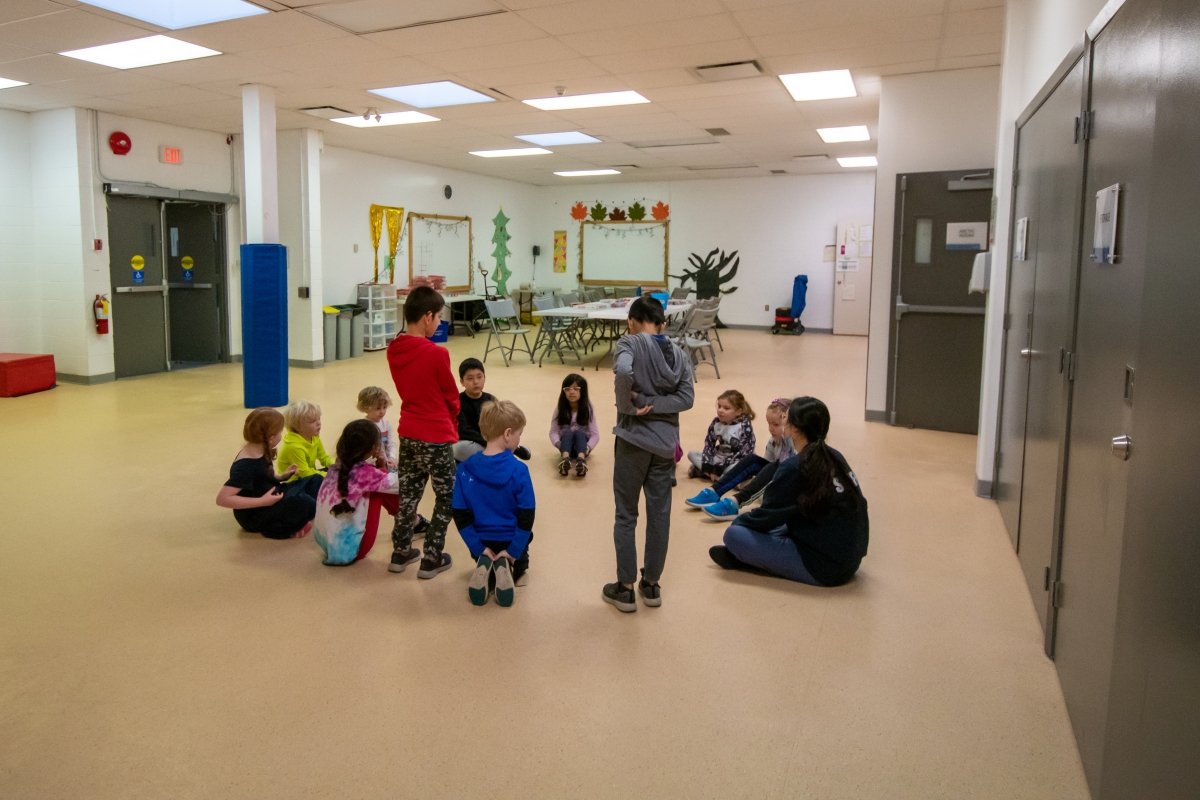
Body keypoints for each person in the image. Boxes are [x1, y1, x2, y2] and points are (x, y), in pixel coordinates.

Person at [709, 397, 869, 587]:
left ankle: (744, 557)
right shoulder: (835, 455)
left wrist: (740, 522)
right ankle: (747, 555)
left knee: (734, 535)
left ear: (794, 428)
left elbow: (766, 516)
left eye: (785, 417)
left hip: (823, 568)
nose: (782, 420)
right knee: (781, 524)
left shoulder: (794, 466)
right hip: (849, 559)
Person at [604, 295, 694, 612]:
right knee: (659, 515)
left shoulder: (629, 343)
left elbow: (622, 372)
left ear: (630, 321)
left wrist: (632, 405)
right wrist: (656, 404)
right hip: (665, 447)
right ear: (663, 325)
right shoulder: (679, 355)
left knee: (626, 514)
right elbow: (687, 399)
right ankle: (652, 585)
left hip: (633, 442)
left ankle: (625, 589)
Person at [385, 286, 458, 579]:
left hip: (409, 433)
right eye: (438, 317)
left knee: (408, 495)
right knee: (446, 497)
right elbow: (451, 397)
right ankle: (431, 558)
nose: (439, 322)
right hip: (436, 436)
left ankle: (400, 552)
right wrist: (452, 421)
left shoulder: (394, 349)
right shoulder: (437, 353)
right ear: (427, 316)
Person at [452, 400, 536, 607]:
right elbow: (527, 515)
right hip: (509, 539)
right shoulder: (519, 470)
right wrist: (514, 549)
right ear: (508, 434)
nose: (519, 439)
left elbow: (460, 514)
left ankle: (486, 563)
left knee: (483, 551)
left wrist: (477, 547)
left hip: (482, 540)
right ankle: (511, 565)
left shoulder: (464, 469)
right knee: (524, 551)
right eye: (519, 434)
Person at [217, 407, 322, 539]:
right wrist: (262, 501)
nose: (281, 435)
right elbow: (223, 499)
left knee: (315, 480)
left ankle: (304, 513)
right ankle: (282, 527)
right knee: (304, 501)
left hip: (272, 494)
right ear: (271, 438)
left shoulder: (259, 449)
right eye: (280, 432)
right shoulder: (246, 466)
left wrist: (281, 477)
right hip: (255, 514)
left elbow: (261, 479)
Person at [686, 398, 794, 519]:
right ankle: (714, 492)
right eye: (769, 423)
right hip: (776, 479)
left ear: (790, 423)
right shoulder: (773, 441)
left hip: (790, 486)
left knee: (774, 468)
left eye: (776, 425)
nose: (770, 428)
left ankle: (734, 502)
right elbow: (765, 470)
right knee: (752, 460)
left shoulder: (796, 443)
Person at [313, 420, 399, 566]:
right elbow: (400, 486)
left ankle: (412, 520)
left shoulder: (335, 467)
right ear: (374, 448)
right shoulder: (366, 474)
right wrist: (383, 465)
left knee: (377, 482)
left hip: (327, 544)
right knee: (381, 481)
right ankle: (411, 520)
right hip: (353, 550)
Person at [687, 390, 756, 480]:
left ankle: (705, 473)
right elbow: (709, 445)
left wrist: (719, 467)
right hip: (719, 457)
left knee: (741, 466)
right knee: (691, 454)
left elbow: (744, 453)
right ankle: (719, 476)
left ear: (738, 412)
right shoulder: (716, 422)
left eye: (726, 408)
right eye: (719, 406)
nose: (720, 410)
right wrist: (708, 463)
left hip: (736, 459)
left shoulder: (744, 426)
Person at [550, 373, 599, 477]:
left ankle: (581, 461)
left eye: (576, 389)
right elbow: (553, 431)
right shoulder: (560, 409)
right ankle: (565, 460)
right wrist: (558, 444)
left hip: (583, 447)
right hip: (565, 446)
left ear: (583, 391)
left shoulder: (588, 409)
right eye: (567, 389)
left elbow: (595, 435)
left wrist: (588, 448)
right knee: (567, 432)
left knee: (579, 432)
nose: (571, 392)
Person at [277, 400, 333, 481]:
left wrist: (336, 466)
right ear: (299, 427)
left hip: (306, 476)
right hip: (293, 483)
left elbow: (324, 457)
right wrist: (329, 475)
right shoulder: (293, 447)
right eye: (313, 421)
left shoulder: (314, 437)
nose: (318, 423)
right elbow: (305, 473)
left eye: (319, 419)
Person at [453, 358, 494, 463]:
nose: (476, 382)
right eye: (470, 378)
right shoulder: (457, 402)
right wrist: (488, 443)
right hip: (472, 443)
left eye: (479, 377)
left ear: (484, 378)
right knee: (458, 448)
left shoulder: (491, 400)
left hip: (490, 442)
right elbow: (463, 430)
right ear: (462, 382)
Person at [358, 386, 397, 471]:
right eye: (378, 408)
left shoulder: (386, 424)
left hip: (387, 465)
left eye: (384, 407)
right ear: (365, 408)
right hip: (371, 467)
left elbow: (391, 443)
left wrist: (392, 457)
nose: (382, 411)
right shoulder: (363, 427)